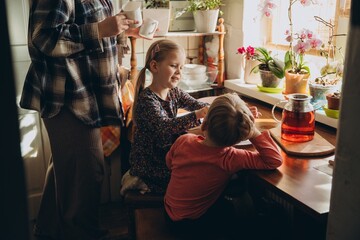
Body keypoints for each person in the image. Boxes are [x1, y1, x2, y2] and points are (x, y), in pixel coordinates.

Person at [20, 1, 141, 239]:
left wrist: (122, 31)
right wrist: (99, 30)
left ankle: (47, 231)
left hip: (84, 92)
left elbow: (95, 26)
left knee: (68, 169)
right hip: (67, 96)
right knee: (86, 173)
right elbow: (43, 38)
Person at [164, 93, 282, 239]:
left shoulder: (184, 140)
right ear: (239, 137)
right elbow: (274, 160)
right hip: (194, 225)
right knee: (233, 213)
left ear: (204, 124)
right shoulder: (231, 158)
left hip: (169, 214)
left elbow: (169, 163)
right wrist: (253, 132)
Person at [123, 39, 210, 194]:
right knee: (197, 176)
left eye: (181, 67)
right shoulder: (147, 100)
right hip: (150, 166)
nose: (179, 72)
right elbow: (164, 127)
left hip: (165, 158)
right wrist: (196, 115)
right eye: (173, 66)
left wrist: (233, 110)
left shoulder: (174, 92)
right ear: (155, 66)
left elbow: (197, 104)